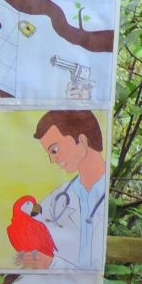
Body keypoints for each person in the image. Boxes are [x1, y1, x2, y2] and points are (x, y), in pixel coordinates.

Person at [34, 109, 107, 269]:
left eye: (54, 150)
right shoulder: (57, 199)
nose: (52, 160)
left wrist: (52, 264)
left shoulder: (110, 192)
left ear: (81, 140)